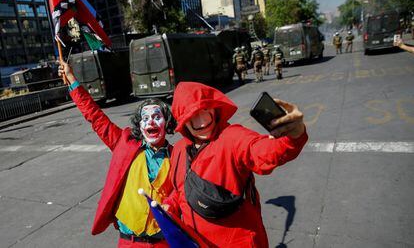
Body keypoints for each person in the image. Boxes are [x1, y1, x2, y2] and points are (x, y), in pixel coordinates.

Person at [163, 81, 308, 247]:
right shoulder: (180, 149)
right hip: (195, 242)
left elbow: (264, 151)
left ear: (214, 108)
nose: (202, 121)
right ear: (183, 122)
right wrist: (169, 206)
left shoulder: (232, 137)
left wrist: (293, 136)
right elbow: (180, 189)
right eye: (192, 117)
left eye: (205, 110)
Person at [58, 61, 176, 247]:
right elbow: (95, 117)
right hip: (128, 242)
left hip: (164, 242)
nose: (151, 122)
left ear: (167, 123)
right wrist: (72, 79)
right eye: (145, 118)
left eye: (156, 117)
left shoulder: (177, 156)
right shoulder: (125, 144)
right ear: (139, 125)